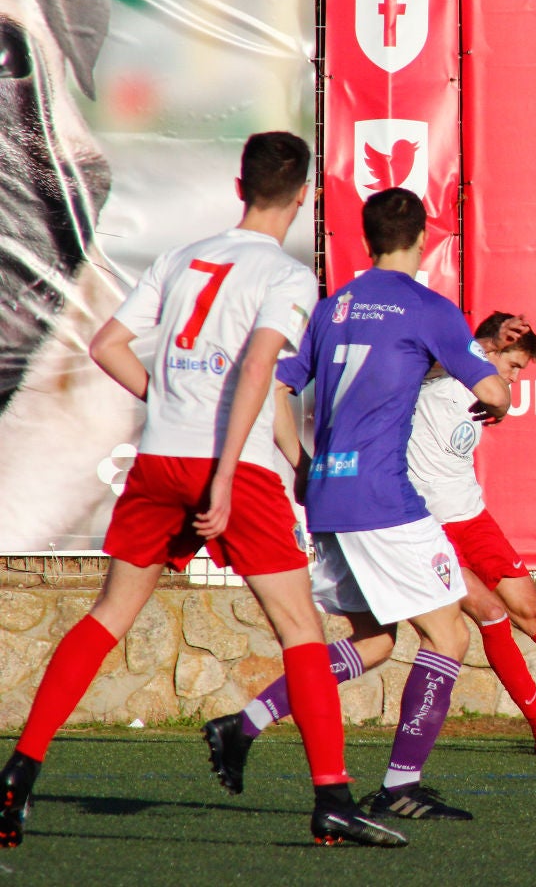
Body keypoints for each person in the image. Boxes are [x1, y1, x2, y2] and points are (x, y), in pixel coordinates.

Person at [0, 133, 405, 848]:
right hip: (233, 469)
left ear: (238, 184)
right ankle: (332, 800)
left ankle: (18, 776)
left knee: (109, 616)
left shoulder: (180, 257)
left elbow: (105, 347)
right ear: (305, 194)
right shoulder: (285, 276)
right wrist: (221, 469)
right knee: (300, 629)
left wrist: (173, 408)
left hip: (158, 460)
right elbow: (257, 369)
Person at [208, 313, 536, 767]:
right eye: (512, 366)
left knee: (529, 614)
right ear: (487, 348)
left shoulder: (483, 394)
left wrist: (496, 391)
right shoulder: (433, 374)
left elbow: (492, 402)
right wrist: (484, 351)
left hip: (472, 518)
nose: (513, 379)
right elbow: (429, 363)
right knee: (480, 620)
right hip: (422, 524)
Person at [204, 186, 515, 824]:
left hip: (329, 495)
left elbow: (272, 388)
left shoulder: (333, 306)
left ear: (367, 240)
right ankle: (402, 783)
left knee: (373, 643)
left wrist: (299, 462)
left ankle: (244, 724)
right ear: (425, 237)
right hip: (383, 498)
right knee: (450, 636)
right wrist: (498, 399)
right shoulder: (429, 306)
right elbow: (493, 390)